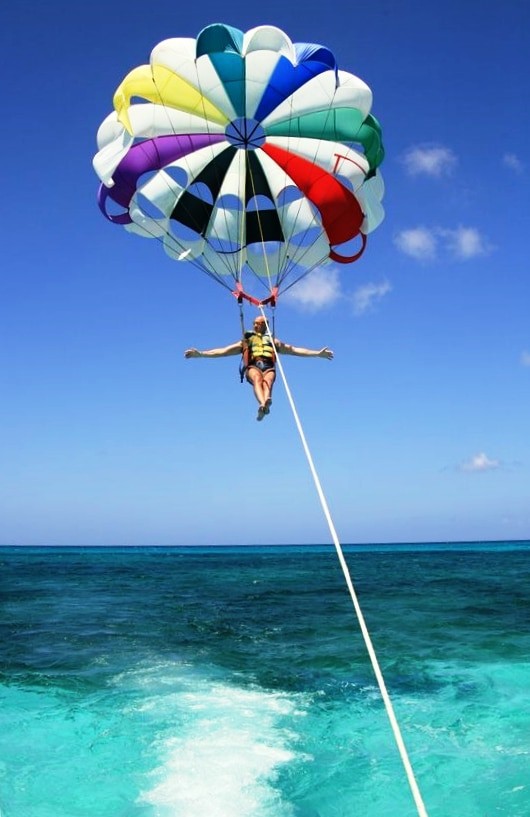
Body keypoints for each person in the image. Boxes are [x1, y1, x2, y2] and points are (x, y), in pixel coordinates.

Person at [184, 315, 334, 421]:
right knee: (257, 378)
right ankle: (263, 403)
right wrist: (201, 354)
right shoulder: (246, 341)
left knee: (268, 380)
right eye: (254, 323)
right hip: (253, 366)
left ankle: (267, 402)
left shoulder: (274, 341)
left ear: (265, 325)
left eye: (258, 323)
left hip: (269, 365)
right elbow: (223, 351)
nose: (255, 325)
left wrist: (317, 354)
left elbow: (295, 350)